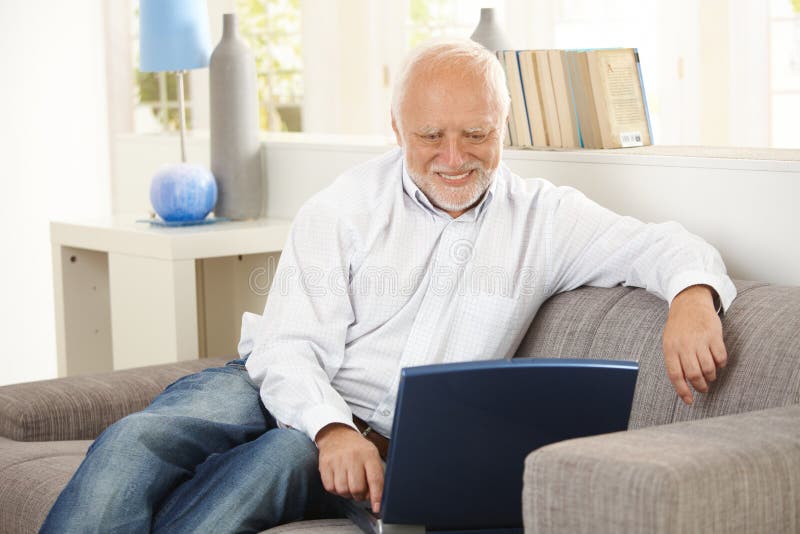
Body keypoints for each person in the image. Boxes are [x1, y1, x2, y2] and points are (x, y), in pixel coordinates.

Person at [42, 38, 736, 533]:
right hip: (272, 376)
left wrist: (691, 297)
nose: (454, 157)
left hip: (376, 434)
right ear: (396, 127)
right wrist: (333, 427)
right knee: (139, 440)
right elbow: (288, 351)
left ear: (503, 127)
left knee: (278, 460)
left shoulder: (544, 219)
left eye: (476, 134)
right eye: (430, 134)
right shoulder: (343, 208)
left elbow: (663, 244)